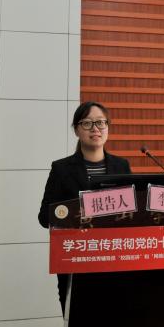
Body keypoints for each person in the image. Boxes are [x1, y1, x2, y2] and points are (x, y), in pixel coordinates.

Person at [38, 101, 131, 314]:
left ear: (108, 127)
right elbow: (44, 217)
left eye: (101, 123)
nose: (95, 129)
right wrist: (80, 211)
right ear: (76, 130)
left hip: (114, 263)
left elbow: (131, 214)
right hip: (76, 265)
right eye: (87, 123)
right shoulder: (61, 169)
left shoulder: (121, 166)